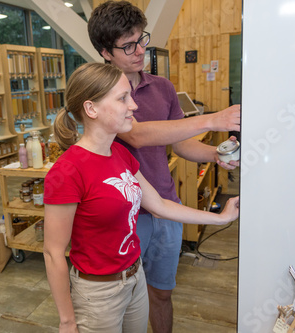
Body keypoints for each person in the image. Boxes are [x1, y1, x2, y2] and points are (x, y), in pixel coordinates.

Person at [43, 62, 240, 333]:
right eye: (123, 98)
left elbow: (159, 205)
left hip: (135, 279)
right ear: (91, 109)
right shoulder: (67, 171)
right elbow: (53, 253)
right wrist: (67, 321)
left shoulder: (120, 154)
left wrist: (221, 218)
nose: (134, 106)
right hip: (98, 294)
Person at [87, 2, 240, 332]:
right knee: (123, 300)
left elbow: (181, 145)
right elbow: (138, 135)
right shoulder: (99, 93)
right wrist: (215, 118)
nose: (140, 49)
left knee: (161, 294)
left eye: (141, 39)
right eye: (128, 45)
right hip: (124, 217)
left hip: (165, 210)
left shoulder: (163, 88)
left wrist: (215, 153)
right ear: (105, 52)